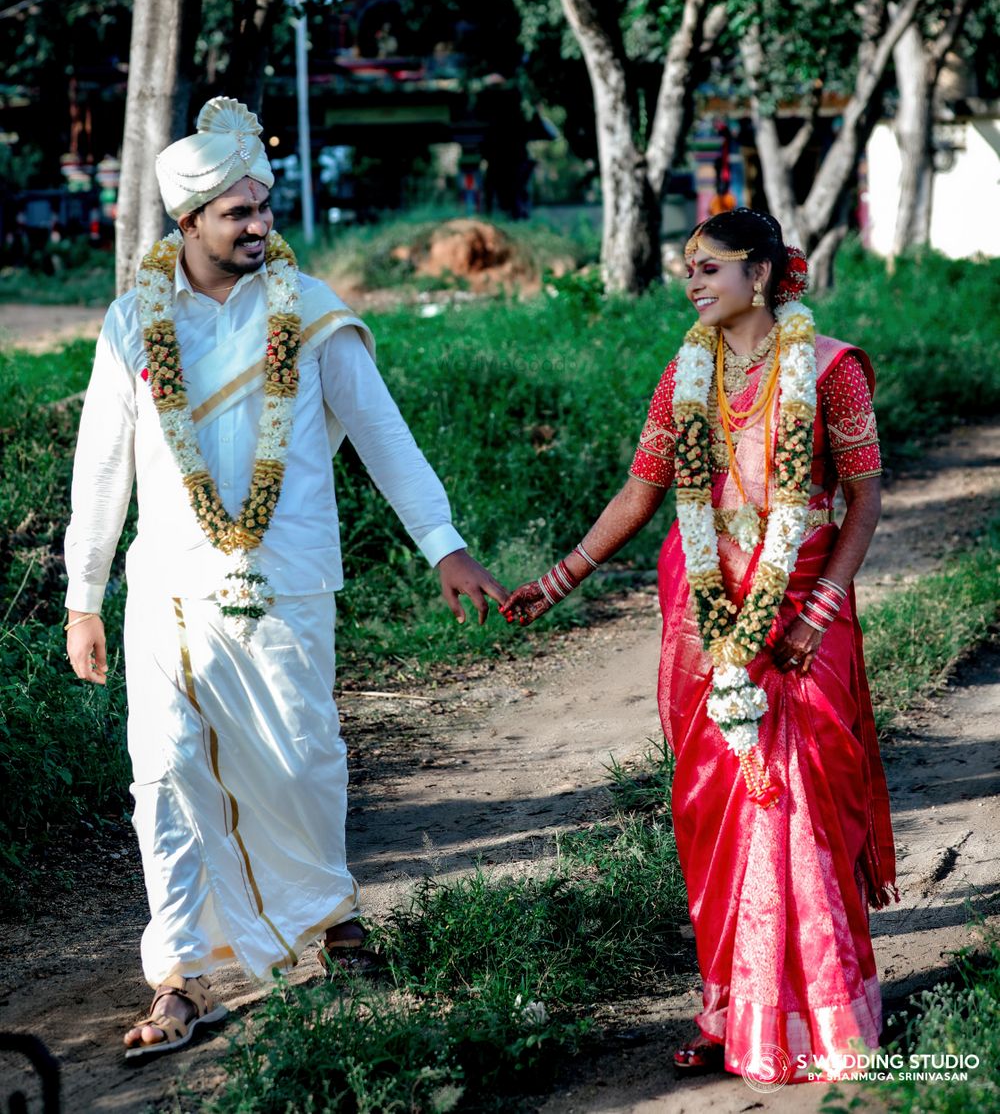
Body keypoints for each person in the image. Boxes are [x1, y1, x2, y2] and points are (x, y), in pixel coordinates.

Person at [64, 96, 507, 1060]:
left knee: (303, 757)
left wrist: (445, 543)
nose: (263, 225)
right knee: (165, 772)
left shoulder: (309, 313)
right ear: (188, 223)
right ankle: (178, 975)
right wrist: (82, 595)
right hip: (168, 594)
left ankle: (334, 923)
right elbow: (102, 463)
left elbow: (385, 437)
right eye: (240, 213)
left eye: (266, 207)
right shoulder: (133, 323)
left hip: (287, 577)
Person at [501, 208, 896, 1085]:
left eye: (710, 266)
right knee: (716, 811)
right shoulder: (683, 375)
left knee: (804, 806)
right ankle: (730, 1008)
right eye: (689, 267)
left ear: (762, 274)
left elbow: (864, 497)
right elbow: (639, 496)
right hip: (704, 617)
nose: (692, 281)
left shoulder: (832, 371)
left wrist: (819, 610)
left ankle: (822, 1009)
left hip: (802, 609)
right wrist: (557, 581)